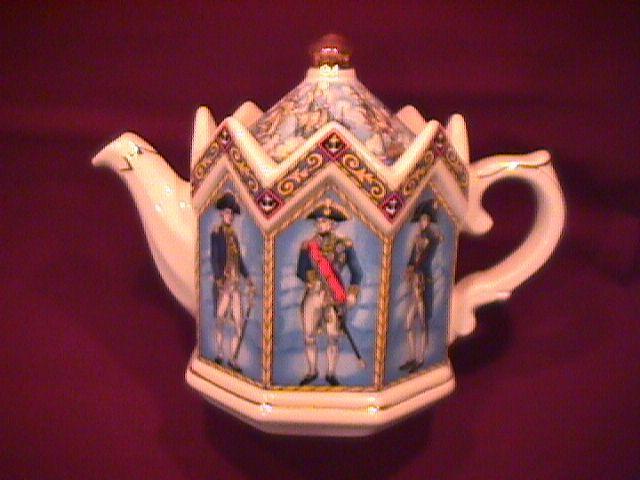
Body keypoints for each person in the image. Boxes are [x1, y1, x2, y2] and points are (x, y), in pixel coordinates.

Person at [296, 200, 362, 386]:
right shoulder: (308, 246)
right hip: (314, 294)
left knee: (333, 336)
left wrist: (352, 293)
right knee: (309, 334)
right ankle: (312, 370)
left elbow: (357, 272)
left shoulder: (344, 245)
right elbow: (301, 270)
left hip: (335, 296)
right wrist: (313, 281)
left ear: (333, 224)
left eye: (324, 221)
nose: (320, 225)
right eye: (318, 221)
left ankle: (331, 373)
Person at [210, 192, 253, 373]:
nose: (230, 216)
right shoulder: (217, 233)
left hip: (235, 285)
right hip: (223, 284)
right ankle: (219, 353)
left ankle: (233, 358)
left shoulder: (233, 235)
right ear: (222, 213)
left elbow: (239, 260)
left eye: (232, 213)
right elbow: (215, 258)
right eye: (227, 212)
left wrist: (248, 278)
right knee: (220, 320)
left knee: (239, 322)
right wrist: (219, 278)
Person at [399, 199, 442, 373]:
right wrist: (409, 267)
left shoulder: (433, 238)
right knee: (408, 322)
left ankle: (421, 359)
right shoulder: (418, 238)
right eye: (421, 219)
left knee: (423, 323)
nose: (422, 222)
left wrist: (414, 268)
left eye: (425, 219)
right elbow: (413, 257)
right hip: (415, 283)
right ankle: (411, 356)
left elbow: (425, 258)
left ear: (429, 221)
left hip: (424, 282)